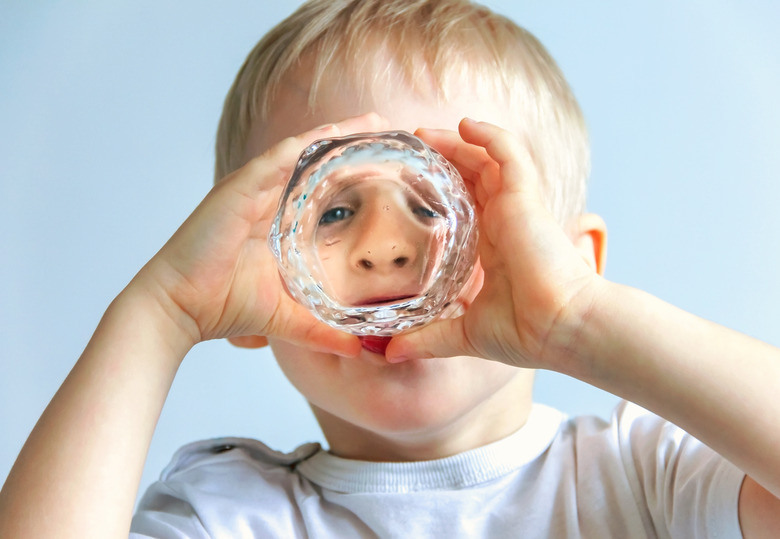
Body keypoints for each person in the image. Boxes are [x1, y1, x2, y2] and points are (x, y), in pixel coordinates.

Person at [1, 0, 778, 536]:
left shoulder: (648, 478)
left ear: (574, 259)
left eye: (444, 203)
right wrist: (160, 313)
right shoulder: (232, 512)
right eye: (332, 210)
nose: (384, 248)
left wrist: (577, 316)